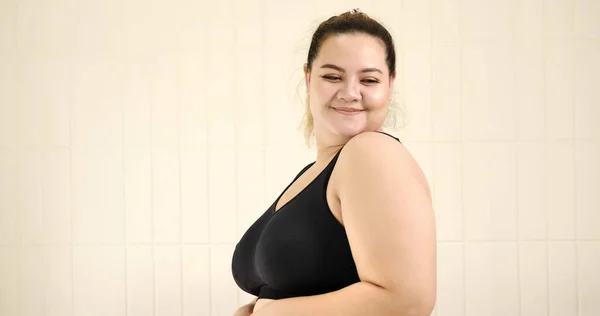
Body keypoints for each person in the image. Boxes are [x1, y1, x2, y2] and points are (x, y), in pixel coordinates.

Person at [232, 9, 436, 316]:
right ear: (308, 77)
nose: (350, 92)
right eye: (332, 76)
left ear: (390, 85)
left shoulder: (371, 152)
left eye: (368, 79)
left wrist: (270, 314)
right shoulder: (315, 173)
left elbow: (406, 300)